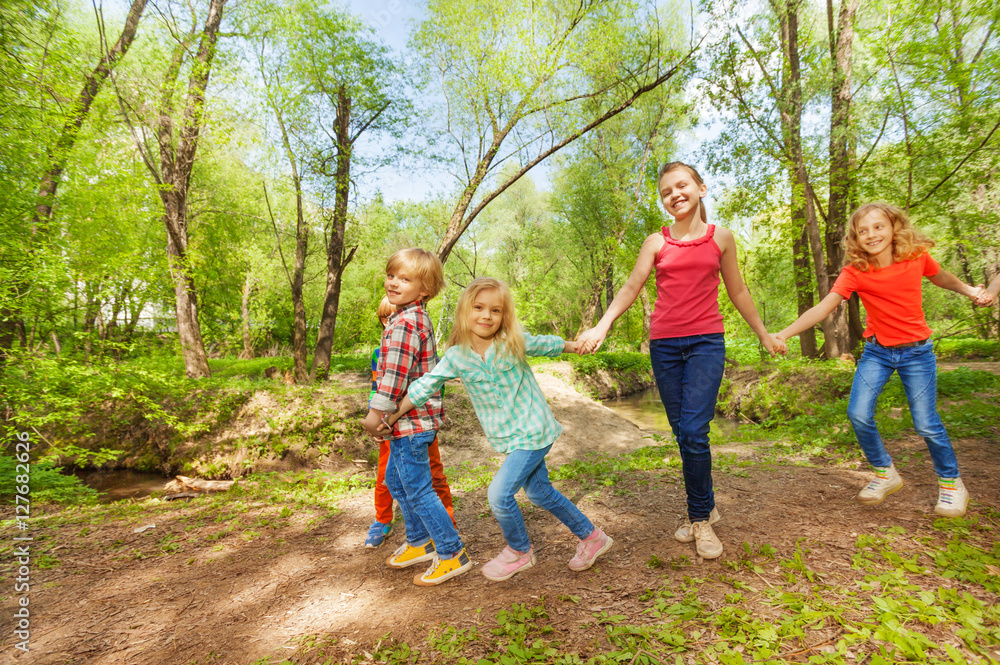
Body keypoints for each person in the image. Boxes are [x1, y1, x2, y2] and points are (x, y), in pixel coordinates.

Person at [577, 161, 784, 560]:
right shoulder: (656, 242)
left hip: (707, 342)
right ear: (663, 202)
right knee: (683, 432)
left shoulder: (721, 238)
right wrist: (602, 326)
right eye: (666, 191)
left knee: (693, 429)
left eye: (682, 185)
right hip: (665, 347)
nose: (675, 194)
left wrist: (764, 333)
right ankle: (706, 503)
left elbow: (738, 291)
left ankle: (700, 519)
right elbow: (632, 285)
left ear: (701, 188)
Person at [383, 278, 613, 582]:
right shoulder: (457, 357)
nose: (486, 316)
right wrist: (390, 416)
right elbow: (424, 386)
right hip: (510, 438)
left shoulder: (511, 342)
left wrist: (578, 345)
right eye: (479, 308)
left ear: (504, 316)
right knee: (540, 493)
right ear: (465, 311)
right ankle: (593, 537)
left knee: (499, 495)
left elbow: (547, 344)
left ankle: (520, 552)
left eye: (495, 310)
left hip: (533, 431)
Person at [773, 202, 983, 517]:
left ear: (893, 227)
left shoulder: (916, 257)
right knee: (857, 414)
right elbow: (823, 307)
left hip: (917, 352)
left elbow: (943, 279)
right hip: (877, 352)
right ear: (855, 238)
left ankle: (952, 484)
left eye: (878, 227)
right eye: (863, 230)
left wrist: (970, 291)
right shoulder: (855, 271)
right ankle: (886, 473)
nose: (872, 235)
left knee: (926, 423)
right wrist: (784, 333)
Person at [360, 248, 470, 586]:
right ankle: (420, 541)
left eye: (405, 279)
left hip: (410, 424)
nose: (393, 283)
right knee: (396, 482)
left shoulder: (407, 323)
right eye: (392, 275)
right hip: (404, 424)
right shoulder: (405, 317)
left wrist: (376, 414)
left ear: (424, 290)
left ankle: (452, 553)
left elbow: (393, 376)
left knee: (419, 489)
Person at [365, 296, 455, 549]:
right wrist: (378, 417)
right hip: (389, 424)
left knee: (431, 476)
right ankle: (386, 521)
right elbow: (377, 387)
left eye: (391, 316)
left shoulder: (412, 329)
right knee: (389, 477)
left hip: (415, 423)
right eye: (384, 318)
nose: (388, 321)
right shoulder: (379, 351)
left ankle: (446, 528)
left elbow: (430, 384)